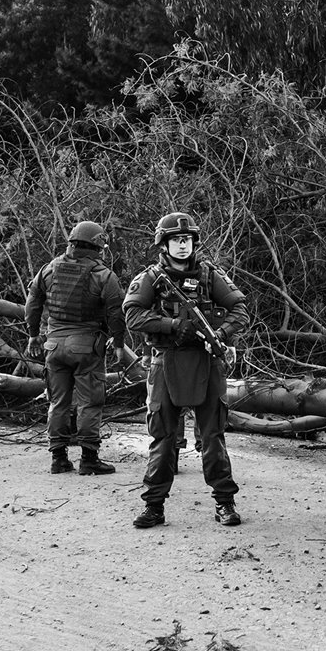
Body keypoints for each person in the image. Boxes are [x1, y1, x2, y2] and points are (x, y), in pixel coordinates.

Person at [123, 212, 250, 528]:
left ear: (194, 242)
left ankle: (225, 503)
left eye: (187, 239)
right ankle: (154, 507)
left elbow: (240, 309)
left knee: (213, 436)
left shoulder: (210, 276)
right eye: (175, 240)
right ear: (164, 245)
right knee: (163, 439)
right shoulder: (151, 278)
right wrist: (171, 325)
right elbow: (133, 315)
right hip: (166, 361)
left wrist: (219, 335)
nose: (182, 245)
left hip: (206, 362)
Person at [25, 220, 126, 475]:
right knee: (89, 403)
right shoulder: (103, 275)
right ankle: (89, 459)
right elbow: (116, 311)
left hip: (54, 344)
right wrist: (119, 343)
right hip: (86, 347)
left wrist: (33, 335)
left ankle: (58, 458)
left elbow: (33, 301)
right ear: (98, 246)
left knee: (58, 401)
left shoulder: (49, 269)